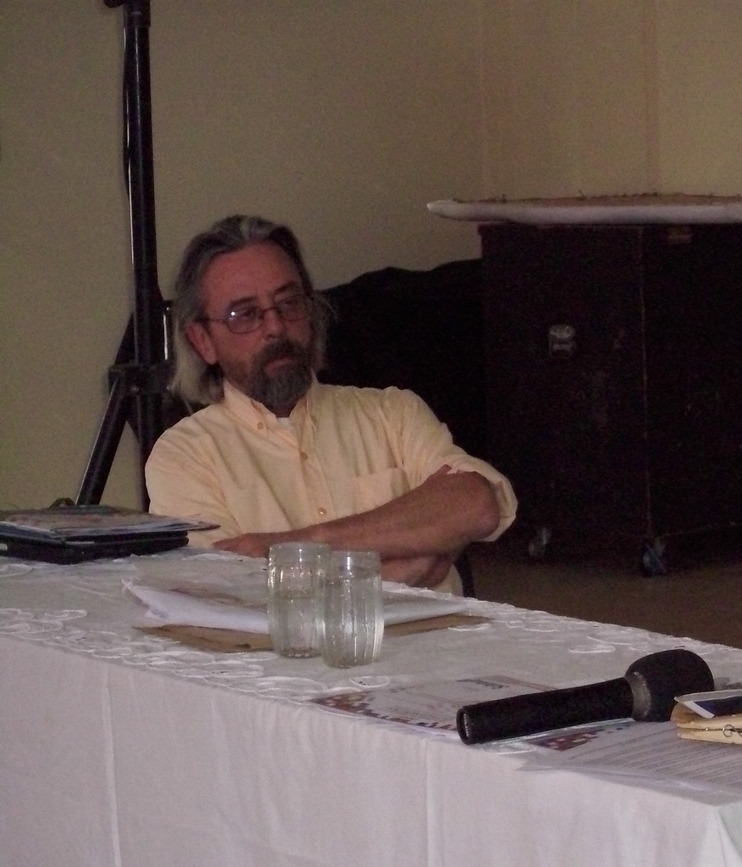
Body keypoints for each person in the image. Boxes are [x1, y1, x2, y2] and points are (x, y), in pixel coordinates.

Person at [146, 214, 517, 594]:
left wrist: (296, 545)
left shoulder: (392, 412)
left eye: (288, 302)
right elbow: (234, 597)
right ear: (203, 341)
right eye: (245, 315)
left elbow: (476, 505)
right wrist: (399, 567)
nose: (275, 327)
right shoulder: (185, 455)